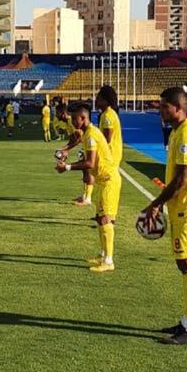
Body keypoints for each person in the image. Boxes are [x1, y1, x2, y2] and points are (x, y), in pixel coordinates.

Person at [143, 87, 187, 346]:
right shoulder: (177, 132)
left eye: (164, 107)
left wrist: (157, 203)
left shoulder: (186, 136)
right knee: (184, 265)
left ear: (178, 108)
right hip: (184, 210)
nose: (160, 111)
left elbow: (182, 180)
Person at [57, 103, 119, 272]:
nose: (73, 122)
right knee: (100, 218)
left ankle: (108, 260)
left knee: (106, 219)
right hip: (102, 180)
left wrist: (67, 167)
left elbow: (90, 163)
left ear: (83, 118)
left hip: (109, 180)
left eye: (75, 119)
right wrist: (66, 150)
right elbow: (77, 141)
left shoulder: (91, 135)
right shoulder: (87, 133)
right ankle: (103, 254)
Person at [96, 85, 123, 170]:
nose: (96, 100)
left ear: (106, 101)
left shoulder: (108, 116)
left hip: (110, 155)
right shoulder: (105, 114)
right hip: (108, 154)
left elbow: (107, 138)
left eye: (99, 98)